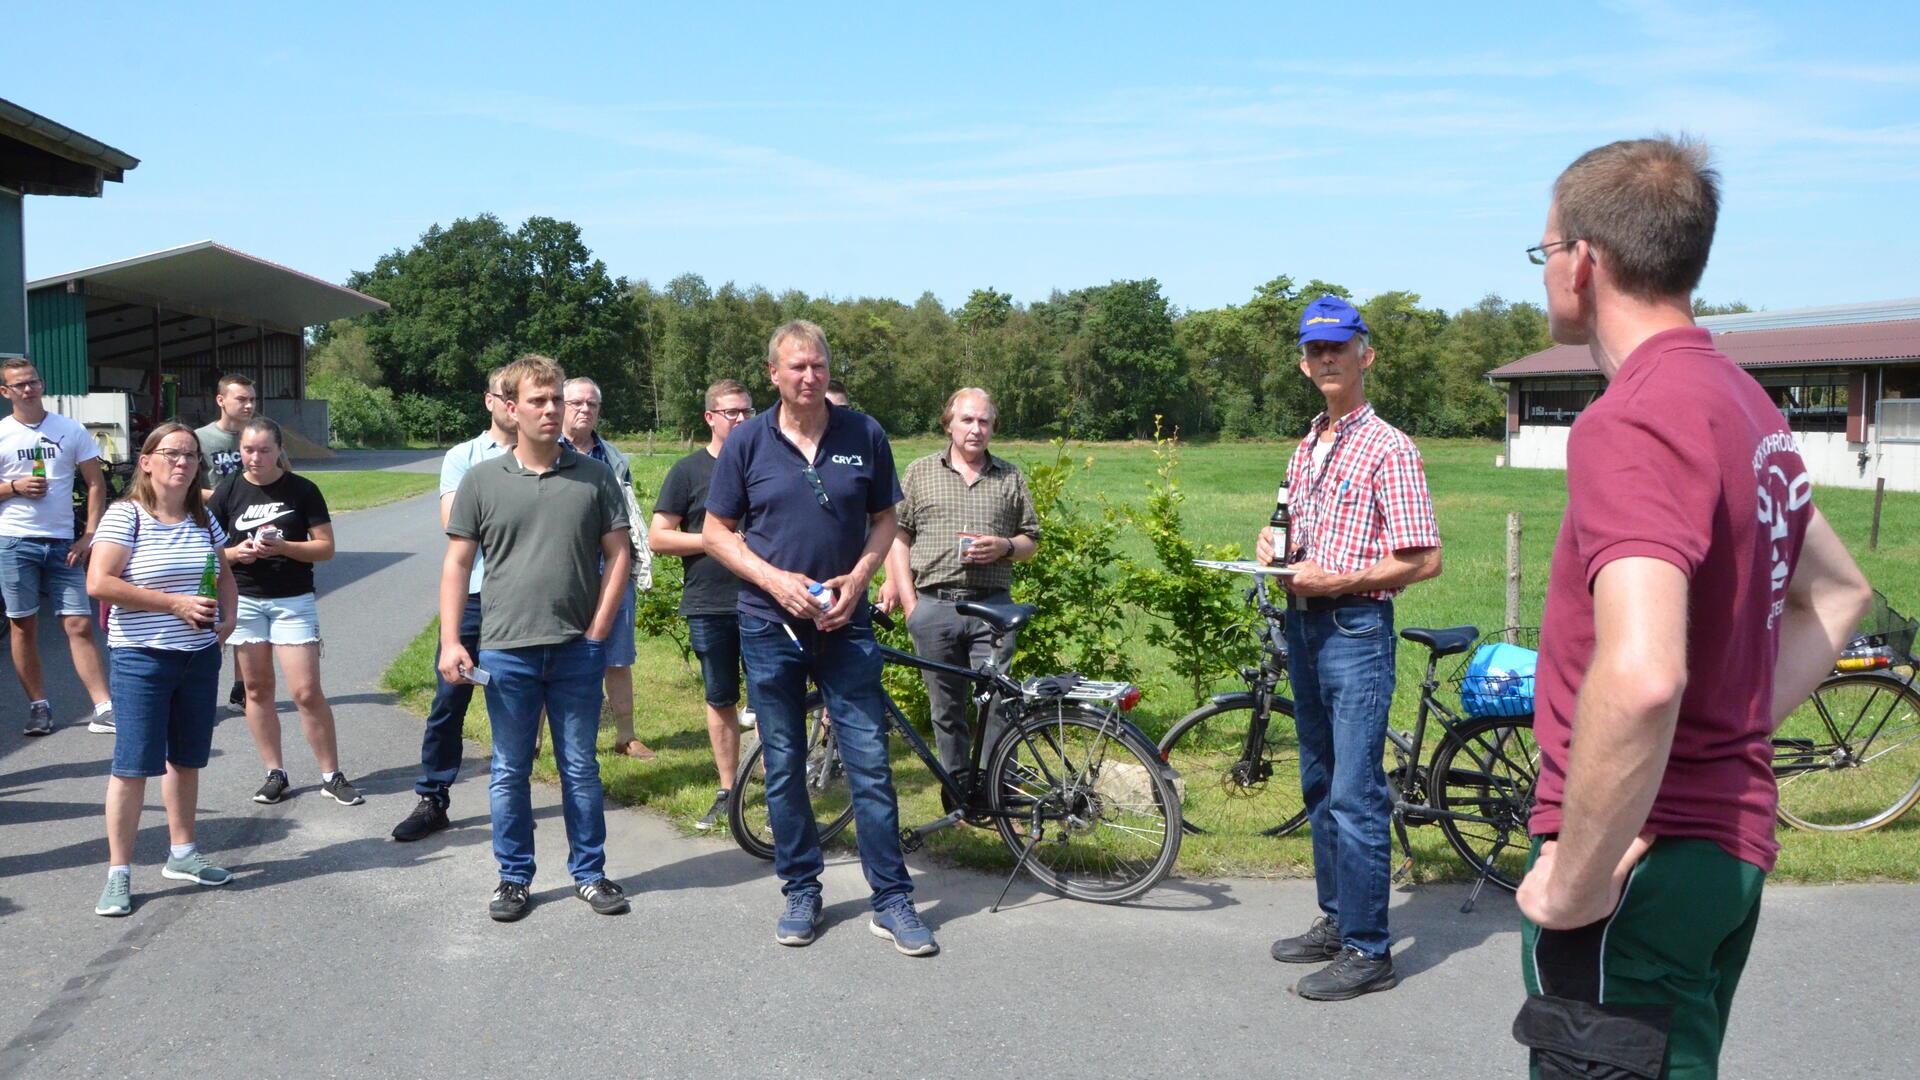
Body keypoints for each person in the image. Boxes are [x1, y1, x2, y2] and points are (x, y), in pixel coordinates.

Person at [1511, 137, 1872, 1077]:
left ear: (1583, 259)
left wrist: (1574, 880)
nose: (1545, 270)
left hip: (1640, 868)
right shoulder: (1743, 403)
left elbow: (1640, 676)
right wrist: (1721, 739)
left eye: (1542, 250)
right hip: (1719, 852)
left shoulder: (1631, 417)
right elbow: (1839, 594)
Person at [705, 319, 936, 957]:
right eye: (797, 367)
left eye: (819, 366)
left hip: (847, 624)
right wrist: (774, 581)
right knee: (783, 766)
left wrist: (862, 579)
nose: (810, 377)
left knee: (869, 761)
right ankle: (801, 890)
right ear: (774, 375)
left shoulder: (864, 433)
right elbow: (716, 533)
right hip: (769, 624)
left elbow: (886, 518)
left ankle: (892, 899)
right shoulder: (747, 442)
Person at [1254, 295, 1442, 1001]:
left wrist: (1342, 577)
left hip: (1356, 631)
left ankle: (1370, 949)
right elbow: (1300, 531)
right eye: (1315, 349)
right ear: (1305, 363)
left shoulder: (1388, 446)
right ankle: (1338, 921)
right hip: (1304, 626)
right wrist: (1272, 546)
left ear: (1366, 354)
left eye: (1339, 346)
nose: (1326, 358)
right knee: (1318, 783)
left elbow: (1424, 559)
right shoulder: (1309, 443)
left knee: (1356, 793)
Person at [439, 355, 632, 922]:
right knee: (509, 768)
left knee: (580, 766)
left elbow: (619, 554)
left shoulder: (594, 476)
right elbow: (457, 564)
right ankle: (514, 877)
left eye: (556, 400)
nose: (551, 410)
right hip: (506, 648)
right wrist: (453, 640)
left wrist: (599, 628)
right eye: (538, 401)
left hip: (577, 648)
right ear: (512, 407)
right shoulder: (481, 480)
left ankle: (590, 874)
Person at [85, 422, 239, 916]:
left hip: (197, 658)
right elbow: (99, 582)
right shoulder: (124, 517)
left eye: (191, 455)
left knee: (187, 759)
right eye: (171, 453)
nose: (182, 463)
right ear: (146, 462)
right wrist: (172, 604)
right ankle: (118, 873)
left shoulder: (202, 518)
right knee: (133, 766)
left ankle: (183, 853)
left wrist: (229, 618)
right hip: (141, 657)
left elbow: (224, 571)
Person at [878, 387, 1039, 772]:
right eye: (966, 420)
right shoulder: (921, 471)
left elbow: (1031, 540)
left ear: (993, 428)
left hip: (992, 608)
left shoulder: (1010, 477)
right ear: (948, 424)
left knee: (998, 707)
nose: (975, 429)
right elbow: (898, 536)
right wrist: (911, 603)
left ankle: (1001, 793)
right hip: (934, 605)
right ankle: (959, 793)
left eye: (984, 421)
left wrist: (1004, 546)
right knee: (946, 709)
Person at [390, 367, 516, 843]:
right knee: (449, 700)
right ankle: (433, 797)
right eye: (505, 396)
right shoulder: (463, 456)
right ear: (490, 401)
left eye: (516, 396)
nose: (511, 405)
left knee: (523, 700)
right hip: (476, 598)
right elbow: (455, 524)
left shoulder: (551, 455)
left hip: (526, 603)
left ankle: (515, 798)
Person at [207, 416, 360, 807]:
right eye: (247, 450)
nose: (254, 458)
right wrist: (237, 554)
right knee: (257, 690)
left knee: (306, 691)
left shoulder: (301, 490)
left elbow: (325, 547)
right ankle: (275, 773)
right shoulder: (228, 491)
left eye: (263, 450)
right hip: (245, 599)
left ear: (279, 451)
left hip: (292, 599)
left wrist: (285, 547)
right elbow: (210, 554)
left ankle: (331, 774)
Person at [649, 379, 756, 830]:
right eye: (732, 412)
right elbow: (658, 536)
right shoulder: (688, 472)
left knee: (773, 697)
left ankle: (776, 792)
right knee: (721, 698)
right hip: (710, 602)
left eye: (748, 411)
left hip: (765, 600)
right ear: (710, 417)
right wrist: (715, 542)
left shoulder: (768, 465)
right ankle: (729, 789)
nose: (742, 420)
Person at [0, 357, 115, 736]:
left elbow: (96, 484)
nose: (29, 389)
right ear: (6, 392)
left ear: (42, 384)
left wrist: (90, 535)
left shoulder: (69, 429)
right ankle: (39, 706)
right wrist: (15, 487)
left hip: (63, 543)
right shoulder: (2, 433)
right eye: (20, 385)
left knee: (80, 624)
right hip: (14, 541)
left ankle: (103, 707)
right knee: (23, 627)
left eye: (33, 381)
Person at [559, 376, 653, 760]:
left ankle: (625, 736)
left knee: (617, 655)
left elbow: (628, 516)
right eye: (577, 403)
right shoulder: (546, 451)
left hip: (613, 568)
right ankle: (535, 743)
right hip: (562, 572)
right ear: (561, 405)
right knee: (553, 655)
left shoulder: (614, 457)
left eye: (592, 404)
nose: (585, 410)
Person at [198, 372, 257, 710]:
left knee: (243, 609)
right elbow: (188, 486)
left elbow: (283, 475)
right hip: (211, 532)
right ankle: (201, 681)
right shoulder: (202, 439)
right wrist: (231, 496)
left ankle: (241, 684)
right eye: (241, 399)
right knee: (210, 609)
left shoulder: (260, 435)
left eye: (252, 399)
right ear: (221, 400)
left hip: (249, 533)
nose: (248, 405)